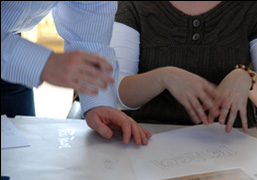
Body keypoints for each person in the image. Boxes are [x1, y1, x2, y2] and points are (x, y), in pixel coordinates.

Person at [105, 1, 257, 133]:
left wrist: (247, 78)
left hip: (231, 144)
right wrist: (163, 77)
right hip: (148, 141)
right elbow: (118, 94)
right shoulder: (131, 5)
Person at [1, 1, 151, 145]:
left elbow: (89, 27)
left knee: (19, 155)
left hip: (11, 44)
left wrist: (99, 103)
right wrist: (44, 63)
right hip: (12, 52)